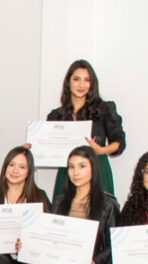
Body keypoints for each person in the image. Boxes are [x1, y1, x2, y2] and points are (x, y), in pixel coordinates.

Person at [47, 60, 126, 196]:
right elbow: (48, 146)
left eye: (87, 80)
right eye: (76, 79)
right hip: (68, 172)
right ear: (68, 82)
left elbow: (119, 141)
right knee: (65, 213)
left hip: (97, 169)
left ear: (92, 84)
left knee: (98, 214)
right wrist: (33, 148)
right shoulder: (57, 115)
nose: (81, 85)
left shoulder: (104, 109)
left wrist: (102, 150)